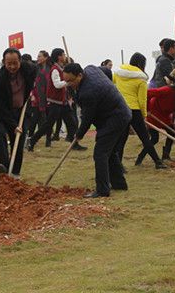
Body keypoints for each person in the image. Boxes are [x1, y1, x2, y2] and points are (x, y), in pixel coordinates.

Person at [64, 63, 130, 198]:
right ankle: (119, 184)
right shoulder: (90, 68)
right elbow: (105, 71)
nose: (68, 84)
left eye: (71, 80)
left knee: (100, 152)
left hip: (115, 117)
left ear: (80, 75)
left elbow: (87, 119)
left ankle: (102, 190)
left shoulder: (88, 92)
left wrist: (79, 135)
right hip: (116, 112)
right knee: (109, 152)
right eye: (66, 81)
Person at [0, 48, 36, 178]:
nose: (12, 66)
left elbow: (37, 72)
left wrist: (31, 93)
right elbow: (0, 108)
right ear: (3, 62)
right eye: (8, 63)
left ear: (20, 61)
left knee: (18, 139)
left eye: (15, 63)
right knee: (0, 134)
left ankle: (15, 172)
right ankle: (5, 168)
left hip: (21, 110)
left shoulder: (29, 69)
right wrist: (13, 125)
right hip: (2, 112)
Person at [114, 53, 166, 169]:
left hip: (120, 108)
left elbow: (113, 85)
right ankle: (158, 162)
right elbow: (142, 100)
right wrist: (144, 115)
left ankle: (119, 166)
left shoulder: (118, 73)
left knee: (121, 139)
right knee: (144, 138)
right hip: (134, 110)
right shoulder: (141, 78)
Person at [29, 49, 86, 151]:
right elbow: (57, 84)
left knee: (72, 123)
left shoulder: (61, 68)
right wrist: (68, 81)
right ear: (59, 57)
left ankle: (74, 143)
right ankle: (32, 141)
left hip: (62, 101)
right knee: (48, 124)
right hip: (55, 101)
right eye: (63, 54)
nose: (65, 56)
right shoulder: (55, 69)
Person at [145, 75, 175, 161]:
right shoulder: (167, 90)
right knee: (155, 139)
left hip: (165, 117)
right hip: (153, 114)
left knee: (171, 133)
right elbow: (148, 93)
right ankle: (140, 157)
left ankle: (166, 155)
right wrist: (147, 110)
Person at [25, 51, 49, 143]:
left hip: (47, 97)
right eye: (37, 56)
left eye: (40, 56)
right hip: (36, 97)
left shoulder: (49, 69)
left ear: (46, 57)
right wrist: (32, 95)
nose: (38, 58)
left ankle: (48, 139)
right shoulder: (35, 68)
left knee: (46, 119)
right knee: (34, 118)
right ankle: (30, 137)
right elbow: (31, 83)